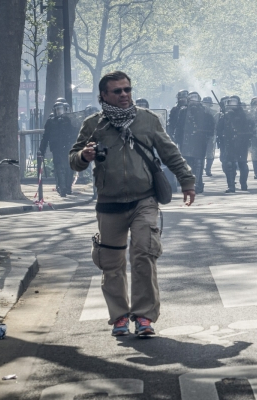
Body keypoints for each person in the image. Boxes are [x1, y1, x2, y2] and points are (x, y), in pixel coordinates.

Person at [69, 71, 195, 337]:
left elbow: (170, 152)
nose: (124, 95)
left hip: (144, 200)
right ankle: (119, 318)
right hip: (109, 203)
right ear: (103, 95)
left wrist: (187, 181)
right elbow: (74, 158)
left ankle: (144, 317)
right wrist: (84, 155)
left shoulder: (148, 120)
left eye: (127, 89)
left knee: (144, 255)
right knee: (111, 264)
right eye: (117, 91)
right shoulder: (93, 124)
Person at [216, 96, 253, 192]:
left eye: (234, 102)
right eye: (230, 102)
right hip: (229, 142)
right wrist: (222, 136)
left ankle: (243, 184)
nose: (232, 104)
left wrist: (246, 135)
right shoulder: (225, 115)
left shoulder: (244, 114)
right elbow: (219, 129)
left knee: (243, 163)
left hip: (242, 142)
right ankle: (231, 185)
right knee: (229, 164)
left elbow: (250, 127)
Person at [40, 101, 75, 197]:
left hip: (67, 147)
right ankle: (62, 187)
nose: (59, 111)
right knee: (59, 167)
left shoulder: (68, 120)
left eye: (60, 109)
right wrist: (41, 150)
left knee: (69, 167)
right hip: (56, 148)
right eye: (57, 109)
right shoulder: (50, 122)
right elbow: (45, 137)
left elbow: (74, 133)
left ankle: (68, 187)